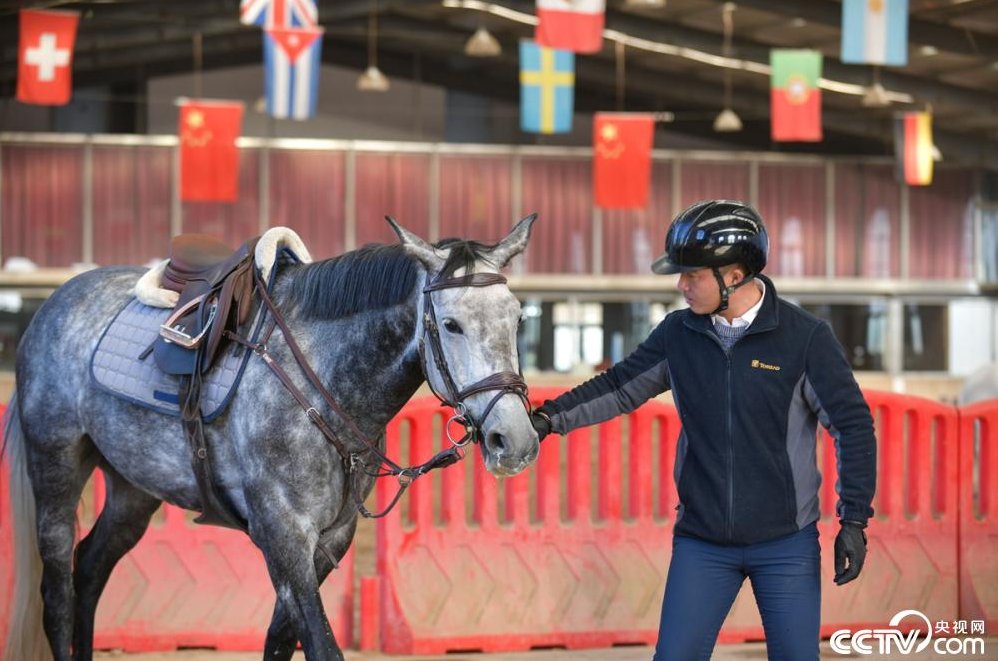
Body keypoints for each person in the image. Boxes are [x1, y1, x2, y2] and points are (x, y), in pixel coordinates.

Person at [530, 200, 876, 660]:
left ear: (733, 275)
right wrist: (545, 419)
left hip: (786, 543)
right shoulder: (677, 334)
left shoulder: (805, 338)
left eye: (691, 275)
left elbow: (852, 426)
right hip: (702, 543)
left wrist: (854, 519)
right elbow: (618, 387)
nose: (681, 285)